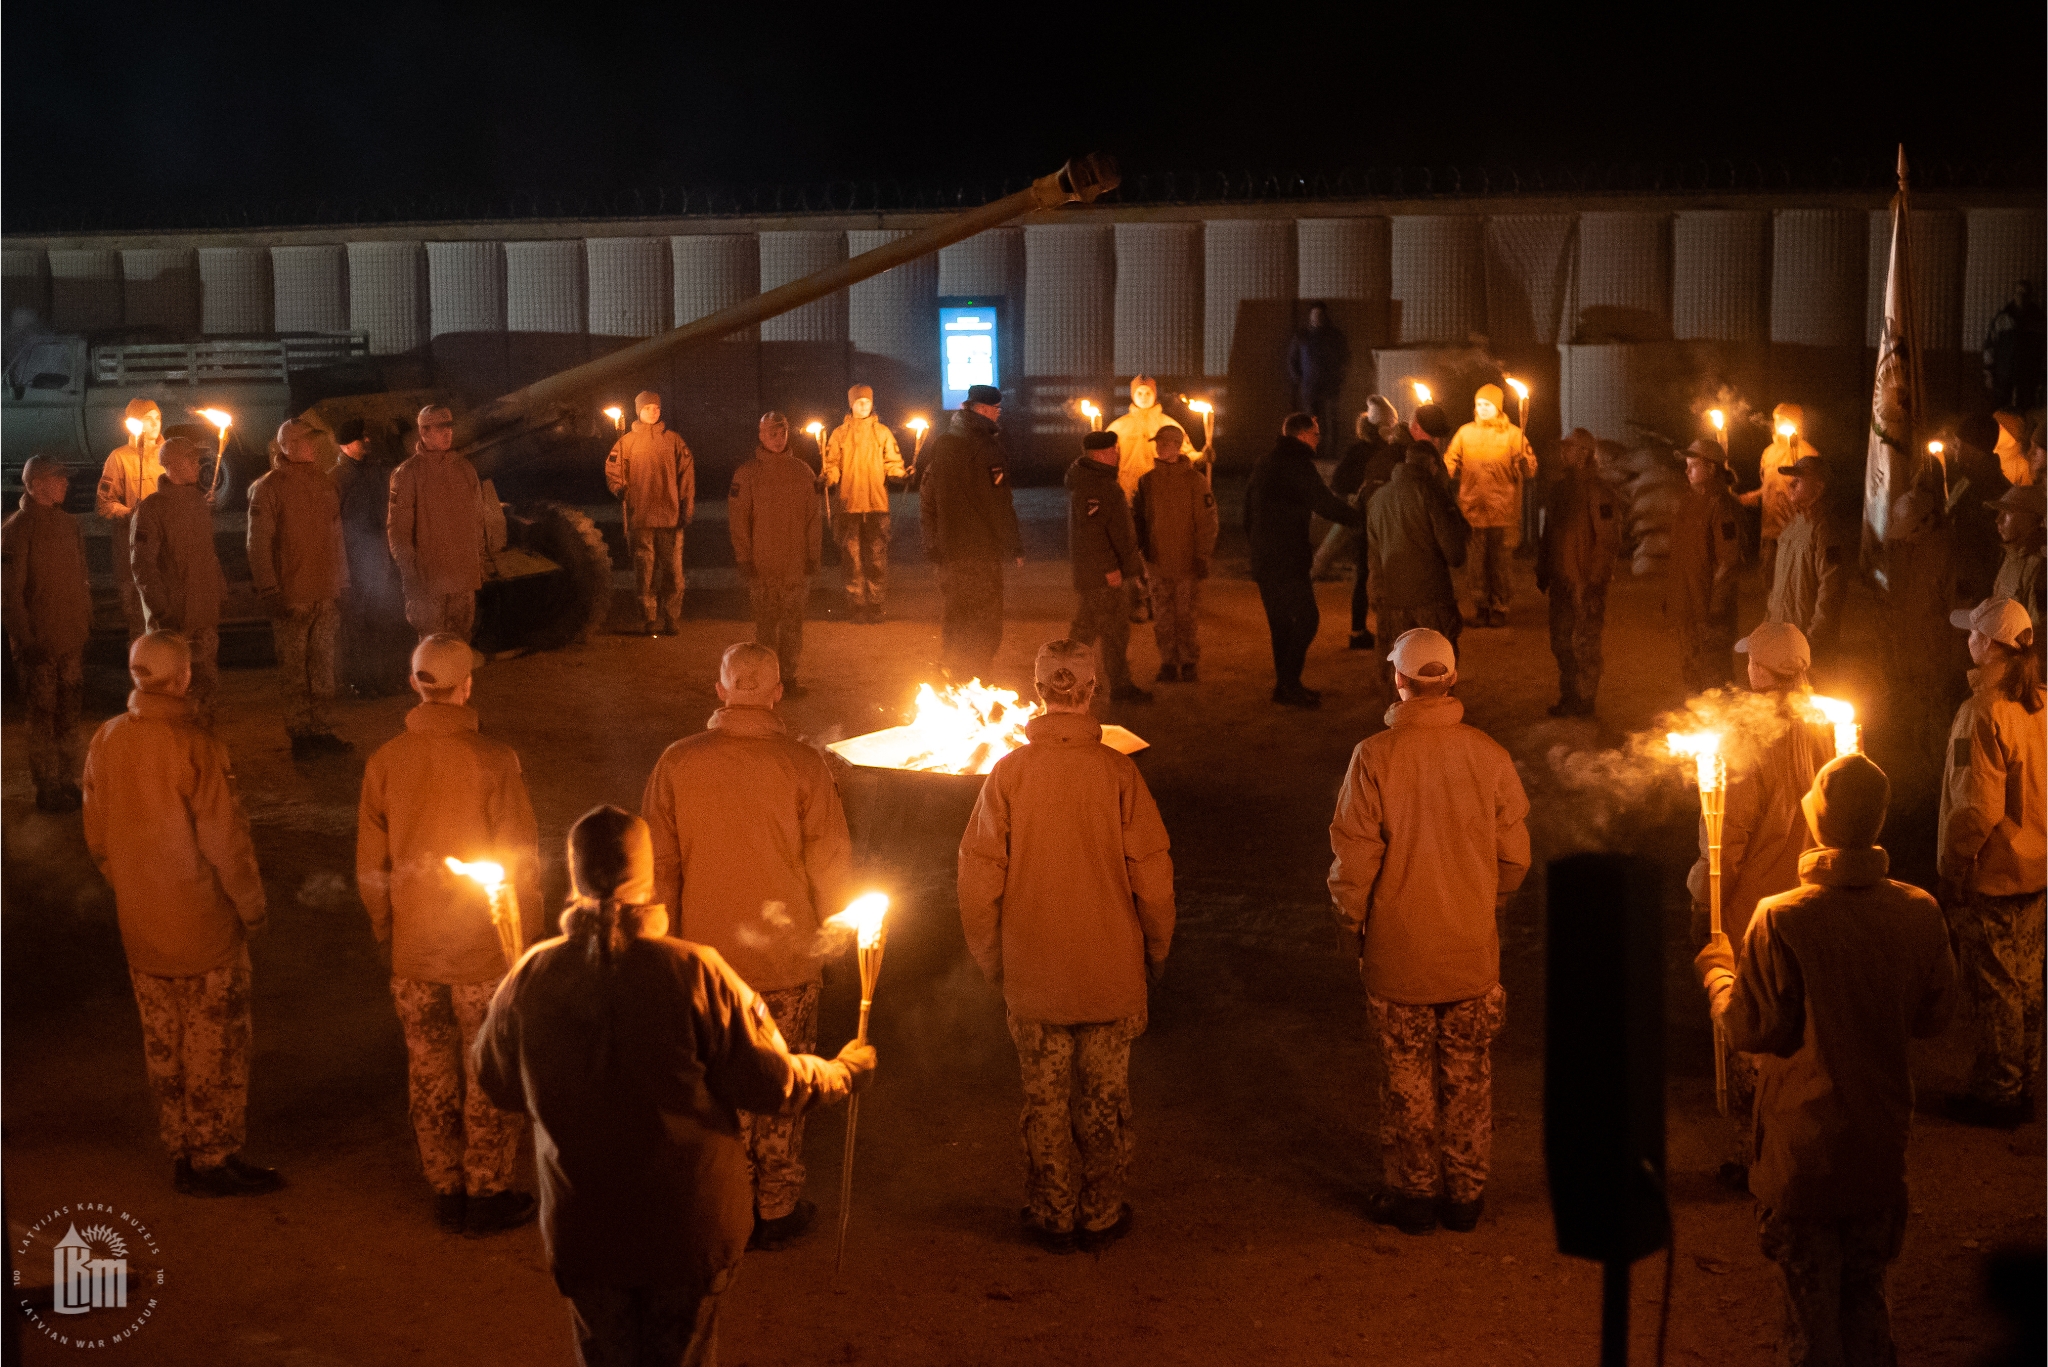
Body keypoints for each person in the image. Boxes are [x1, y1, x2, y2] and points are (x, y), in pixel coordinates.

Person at [473, 804, 875, 1367]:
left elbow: (497, 1082)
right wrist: (841, 1073)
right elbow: (771, 1084)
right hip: (686, 1234)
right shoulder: (696, 972)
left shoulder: (533, 975)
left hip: (587, 1232)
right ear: (648, 875)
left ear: (574, 875)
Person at [1695, 754, 1956, 1367]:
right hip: (1879, 1143)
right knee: (1868, 1303)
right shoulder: (1918, 910)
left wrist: (1718, 975)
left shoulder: (1783, 916)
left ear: (1817, 821)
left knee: (1810, 1322)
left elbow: (1752, 1029)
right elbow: (1935, 1017)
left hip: (1803, 1151)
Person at [958, 639, 1175, 1254]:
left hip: (1034, 975)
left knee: (1044, 1101)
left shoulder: (1009, 775)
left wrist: (991, 958)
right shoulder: (1118, 772)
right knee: (1106, 1099)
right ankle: (1102, 1210)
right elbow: (1153, 878)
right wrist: (1157, 950)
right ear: (1091, 690)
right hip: (1111, 973)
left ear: (1037, 693)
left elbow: (978, 882)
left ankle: (1052, 1212)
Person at [639, 641, 852, 1249]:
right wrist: (832, 942)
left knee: (711, 1085)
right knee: (780, 1079)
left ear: (721, 690)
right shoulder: (804, 766)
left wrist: (661, 950)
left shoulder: (678, 762)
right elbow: (831, 865)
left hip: (705, 962)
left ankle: (715, 1201)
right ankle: (776, 1205)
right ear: (779, 694)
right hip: (786, 961)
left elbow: (659, 868)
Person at [1327, 628, 1530, 1235]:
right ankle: (1465, 1195)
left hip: (1399, 954)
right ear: (1452, 681)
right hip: (1469, 952)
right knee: (1468, 1073)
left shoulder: (1374, 757)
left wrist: (1350, 922)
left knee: (1406, 1076)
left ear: (1399, 681)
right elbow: (1514, 856)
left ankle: (1413, 1195)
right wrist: (1480, 903)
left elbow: (1355, 858)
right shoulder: (1488, 755)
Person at [82, 632, 282, 1198]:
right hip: (203, 925)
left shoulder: (107, 739)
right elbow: (226, 843)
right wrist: (252, 908)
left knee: (162, 1042)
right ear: (184, 678)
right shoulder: (195, 746)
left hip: (141, 923)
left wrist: (131, 887)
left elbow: (97, 836)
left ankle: (181, 1150)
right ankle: (215, 1156)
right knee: (214, 1042)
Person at [356, 634, 543, 1237]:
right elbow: (522, 865)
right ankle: (486, 1189)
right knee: (486, 1069)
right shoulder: (495, 760)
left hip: (414, 953)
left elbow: (371, 864)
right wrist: (525, 948)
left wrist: (389, 929)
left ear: (415, 682)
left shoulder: (386, 761)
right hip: (482, 952)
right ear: (467, 685)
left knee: (428, 1069)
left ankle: (445, 1187)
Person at [1687, 620, 1835, 1187]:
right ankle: (1805, 1141)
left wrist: (1706, 892)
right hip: (1813, 888)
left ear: (1760, 671)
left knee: (1756, 1033)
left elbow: (1730, 831)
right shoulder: (1828, 721)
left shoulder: (1748, 735)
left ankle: (1762, 1154)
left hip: (1754, 902)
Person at [1936, 597, 2045, 1128]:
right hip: (2038, 868)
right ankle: (2024, 1083)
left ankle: (2000, 1096)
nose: (1967, 641)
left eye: (1973, 634)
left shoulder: (1981, 713)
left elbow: (1976, 806)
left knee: (1996, 986)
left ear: (1987, 645)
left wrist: (1956, 865)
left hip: (1996, 872)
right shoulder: (2040, 702)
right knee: (2028, 982)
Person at [247, 419, 351, 757]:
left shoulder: (324, 483)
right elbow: (258, 543)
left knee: (322, 666)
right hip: (293, 596)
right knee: (295, 670)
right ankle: (301, 735)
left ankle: (321, 729)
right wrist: (269, 590)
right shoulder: (269, 488)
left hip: (324, 592)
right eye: (306, 440)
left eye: (314, 440)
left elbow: (336, 539)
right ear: (287, 445)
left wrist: (342, 582)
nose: (313, 445)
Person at [1245, 413, 1363, 707]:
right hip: (1287, 557)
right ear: (1301, 436)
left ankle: (1284, 686)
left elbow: (1247, 509)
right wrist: (1360, 518)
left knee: (1280, 623)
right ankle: (1289, 683)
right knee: (1307, 619)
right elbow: (1323, 502)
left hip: (1265, 557)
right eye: (1315, 434)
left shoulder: (1265, 463)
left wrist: (1257, 544)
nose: (1318, 440)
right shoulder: (1297, 465)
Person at [3, 455, 92, 811]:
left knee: (69, 712)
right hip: (39, 642)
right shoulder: (17, 529)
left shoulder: (69, 525)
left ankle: (67, 779)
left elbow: (80, 576)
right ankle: (48, 786)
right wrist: (26, 640)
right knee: (42, 715)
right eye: (59, 479)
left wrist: (84, 622)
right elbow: (8, 594)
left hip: (69, 637)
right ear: (37, 484)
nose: (66, 484)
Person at [919, 384, 1023, 682]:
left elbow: (928, 497)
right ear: (981, 409)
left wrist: (933, 543)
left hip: (949, 551)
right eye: (995, 408)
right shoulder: (987, 448)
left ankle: (952, 679)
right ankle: (977, 682)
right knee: (985, 620)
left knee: (956, 615)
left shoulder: (943, 444)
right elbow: (998, 502)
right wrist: (1013, 544)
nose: (998, 412)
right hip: (979, 551)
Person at [131, 436, 225, 724]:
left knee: (205, 688)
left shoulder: (197, 502)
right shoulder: (152, 508)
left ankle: (203, 754)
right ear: (170, 464)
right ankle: (169, 755)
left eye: (198, 458)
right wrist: (162, 611)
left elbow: (206, 554)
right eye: (191, 458)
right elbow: (143, 566)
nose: (198, 464)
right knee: (170, 693)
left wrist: (218, 591)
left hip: (202, 615)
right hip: (173, 620)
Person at [729, 412, 821, 699]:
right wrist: (743, 557)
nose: (777, 439)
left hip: (794, 566)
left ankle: (789, 679)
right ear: (761, 435)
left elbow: (813, 518)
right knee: (766, 628)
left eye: (781, 434)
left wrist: (813, 554)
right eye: (771, 434)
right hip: (763, 566)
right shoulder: (747, 474)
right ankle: (768, 683)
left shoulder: (803, 472)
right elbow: (738, 519)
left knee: (793, 625)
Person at [1363, 427, 1468, 678]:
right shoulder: (1431, 493)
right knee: (1434, 668)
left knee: (1398, 670)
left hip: (1391, 602)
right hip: (1430, 600)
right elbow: (1454, 554)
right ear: (1433, 465)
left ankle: (1400, 716)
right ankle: (1431, 716)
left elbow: (1374, 557)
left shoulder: (1378, 498)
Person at [1536, 428, 1620, 717]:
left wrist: (1594, 580)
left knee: (1584, 643)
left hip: (1585, 582)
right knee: (1560, 641)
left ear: (1584, 453)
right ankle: (1569, 695)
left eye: (1570, 448)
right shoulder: (1560, 490)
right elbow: (1550, 533)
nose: (1564, 453)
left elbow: (1608, 540)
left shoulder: (1599, 493)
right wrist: (1543, 568)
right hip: (1562, 581)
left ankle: (1585, 700)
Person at [386, 403, 486, 642]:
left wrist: (477, 560)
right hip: (429, 582)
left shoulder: (464, 469)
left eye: (449, 427)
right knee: (433, 648)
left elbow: (477, 521)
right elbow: (398, 532)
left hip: (463, 579)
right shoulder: (407, 474)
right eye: (440, 428)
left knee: (460, 646)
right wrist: (410, 577)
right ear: (424, 432)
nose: (447, 433)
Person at [1442, 384, 1537, 628]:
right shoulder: (1465, 433)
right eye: (1479, 404)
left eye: (1487, 405)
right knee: (1475, 564)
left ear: (1498, 407)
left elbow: (1530, 470)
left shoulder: (1514, 435)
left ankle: (1500, 606)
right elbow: (1450, 462)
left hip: (1503, 511)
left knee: (1500, 564)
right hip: (1472, 510)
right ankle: (1481, 606)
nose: (1482, 409)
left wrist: (1526, 465)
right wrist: (1442, 470)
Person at [1313, 398, 1405, 649]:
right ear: (1382, 426)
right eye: (1391, 423)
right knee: (1380, 575)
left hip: (1368, 522)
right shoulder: (1381, 453)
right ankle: (1378, 630)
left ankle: (1359, 630)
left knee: (1365, 575)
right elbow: (1341, 484)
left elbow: (1339, 484)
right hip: (1376, 523)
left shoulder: (1383, 450)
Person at [1066, 431, 1150, 704]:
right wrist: (1110, 568)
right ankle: (1121, 687)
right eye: (1114, 450)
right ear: (1101, 454)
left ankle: (1065, 682)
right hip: (1103, 575)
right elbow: (1093, 532)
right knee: (1114, 631)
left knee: (1084, 631)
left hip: (1098, 573)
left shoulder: (1098, 481)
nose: (1117, 454)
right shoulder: (1096, 485)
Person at [1133, 425, 1219, 684]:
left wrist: (1202, 555)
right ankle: (1168, 662)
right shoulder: (1147, 481)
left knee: (1186, 615)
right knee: (1162, 616)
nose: (1160, 447)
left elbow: (1207, 522)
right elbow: (1141, 520)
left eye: (1166, 442)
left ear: (1178, 445)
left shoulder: (1195, 481)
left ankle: (1189, 661)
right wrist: (1142, 553)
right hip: (1157, 562)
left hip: (1186, 562)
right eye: (1158, 442)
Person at [605, 389, 695, 636]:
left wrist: (687, 506)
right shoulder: (626, 443)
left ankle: (671, 618)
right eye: (647, 408)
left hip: (669, 517)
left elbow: (687, 474)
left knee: (672, 572)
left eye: (656, 408)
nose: (653, 412)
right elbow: (614, 471)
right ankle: (649, 618)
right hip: (641, 517)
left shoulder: (674, 440)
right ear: (638, 411)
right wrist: (619, 488)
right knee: (645, 572)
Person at [331, 417, 409, 695]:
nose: (366, 441)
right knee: (357, 627)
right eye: (358, 438)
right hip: (353, 565)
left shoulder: (376, 472)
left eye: (365, 436)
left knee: (384, 621)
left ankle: (383, 678)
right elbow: (331, 527)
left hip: (379, 560)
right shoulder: (338, 479)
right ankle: (359, 682)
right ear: (344, 444)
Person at [822, 383, 904, 623]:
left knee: (877, 557)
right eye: (859, 402)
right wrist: (828, 477)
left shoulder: (883, 433)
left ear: (872, 403)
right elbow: (832, 464)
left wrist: (900, 473)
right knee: (852, 559)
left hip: (877, 504)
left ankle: (876, 603)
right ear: (851, 404)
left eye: (867, 402)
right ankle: (856, 603)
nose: (863, 406)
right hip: (848, 504)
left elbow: (893, 461)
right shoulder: (840, 433)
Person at [1671, 438, 1745, 694]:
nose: (1686, 470)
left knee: (1715, 676)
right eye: (1686, 465)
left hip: (1710, 610)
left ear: (1711, 469)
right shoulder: (1688, 504)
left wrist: (1716, 606)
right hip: (1689, 605)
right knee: (1692, 669)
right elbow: (1682, 557)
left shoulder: (1722, 507)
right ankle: (1698, 725)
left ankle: (1721, 728)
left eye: (1693, 465)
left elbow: (1728, 559)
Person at [1766, 455, 1849, 664]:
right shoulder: (1793, 526)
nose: (1791, 484)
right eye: (1791, 478)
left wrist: (1815, 637)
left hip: (1810, 644)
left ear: (1819, 488)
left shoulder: (1826, 528)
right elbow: (1780, 585)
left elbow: (1832, 587)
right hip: (1782, 637)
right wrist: (1769, 624)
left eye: (1799, 480)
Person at [97, 396, 164, 638]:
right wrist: (129, 512)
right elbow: (104, 504)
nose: (155, 424)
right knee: (138, 613)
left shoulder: (167, 456)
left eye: (157, 418)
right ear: (135, 423)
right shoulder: (120, 458)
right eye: (148, 419)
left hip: (165, 549)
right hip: (133, 546)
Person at [1738, 403, 1815, 591]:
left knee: (1794, 583)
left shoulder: (1808, 454)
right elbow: (1768, 486)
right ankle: (1773, 617)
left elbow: (1813, 493)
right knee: (1770, 578)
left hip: (1794, 532)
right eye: (1777, 420)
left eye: (1785, 420)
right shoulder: (1769, 452)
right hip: (1770, 530)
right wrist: (1752, 496)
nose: (1779, 424)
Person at [1105, 375, 1187, 501]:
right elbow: (1107, 456)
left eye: (1148, 393)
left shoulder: (1169, 425)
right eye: (1139, 393)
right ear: (1133, 394)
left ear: (1155, 394)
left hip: (1160, 487)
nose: (1144, 397)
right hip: (1127, 489)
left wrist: (1200, 458)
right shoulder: (1118, 427)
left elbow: (1185, 451)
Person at [1286, 302, 1350, 447]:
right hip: (1310, 386)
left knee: (1332, 419)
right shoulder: (1302, 336)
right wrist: (1299, 380)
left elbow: (1345, 357)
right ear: (1310, 316)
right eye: (1315, 315)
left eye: (1320, 315)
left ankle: (1332, 450)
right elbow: (1292, 359)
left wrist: (1339, 376)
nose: (1317, 318)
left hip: (1331, 385)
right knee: (1311, 421)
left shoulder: (1335, 336)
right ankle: (1313, 449)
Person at [1986, 483, 2045, 632]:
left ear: (2029, 517)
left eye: (2007, 512)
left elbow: (2041, 634)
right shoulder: (2012, 556)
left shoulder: (2040, 566)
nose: (1998, 519)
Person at [1981, 279, 2046, 409]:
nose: (2021, 297)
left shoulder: (2039, 321)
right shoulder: (2002, 319)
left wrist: (2043, 378)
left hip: (2028, 376)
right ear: (2013, 295)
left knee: (2026, 412)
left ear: (2030, 296)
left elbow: (2044, 350)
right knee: (2002, 412)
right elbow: (1990, 347)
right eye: (2018, 293)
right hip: (2004, 375)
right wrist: (1989, 374)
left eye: (2025, 293)